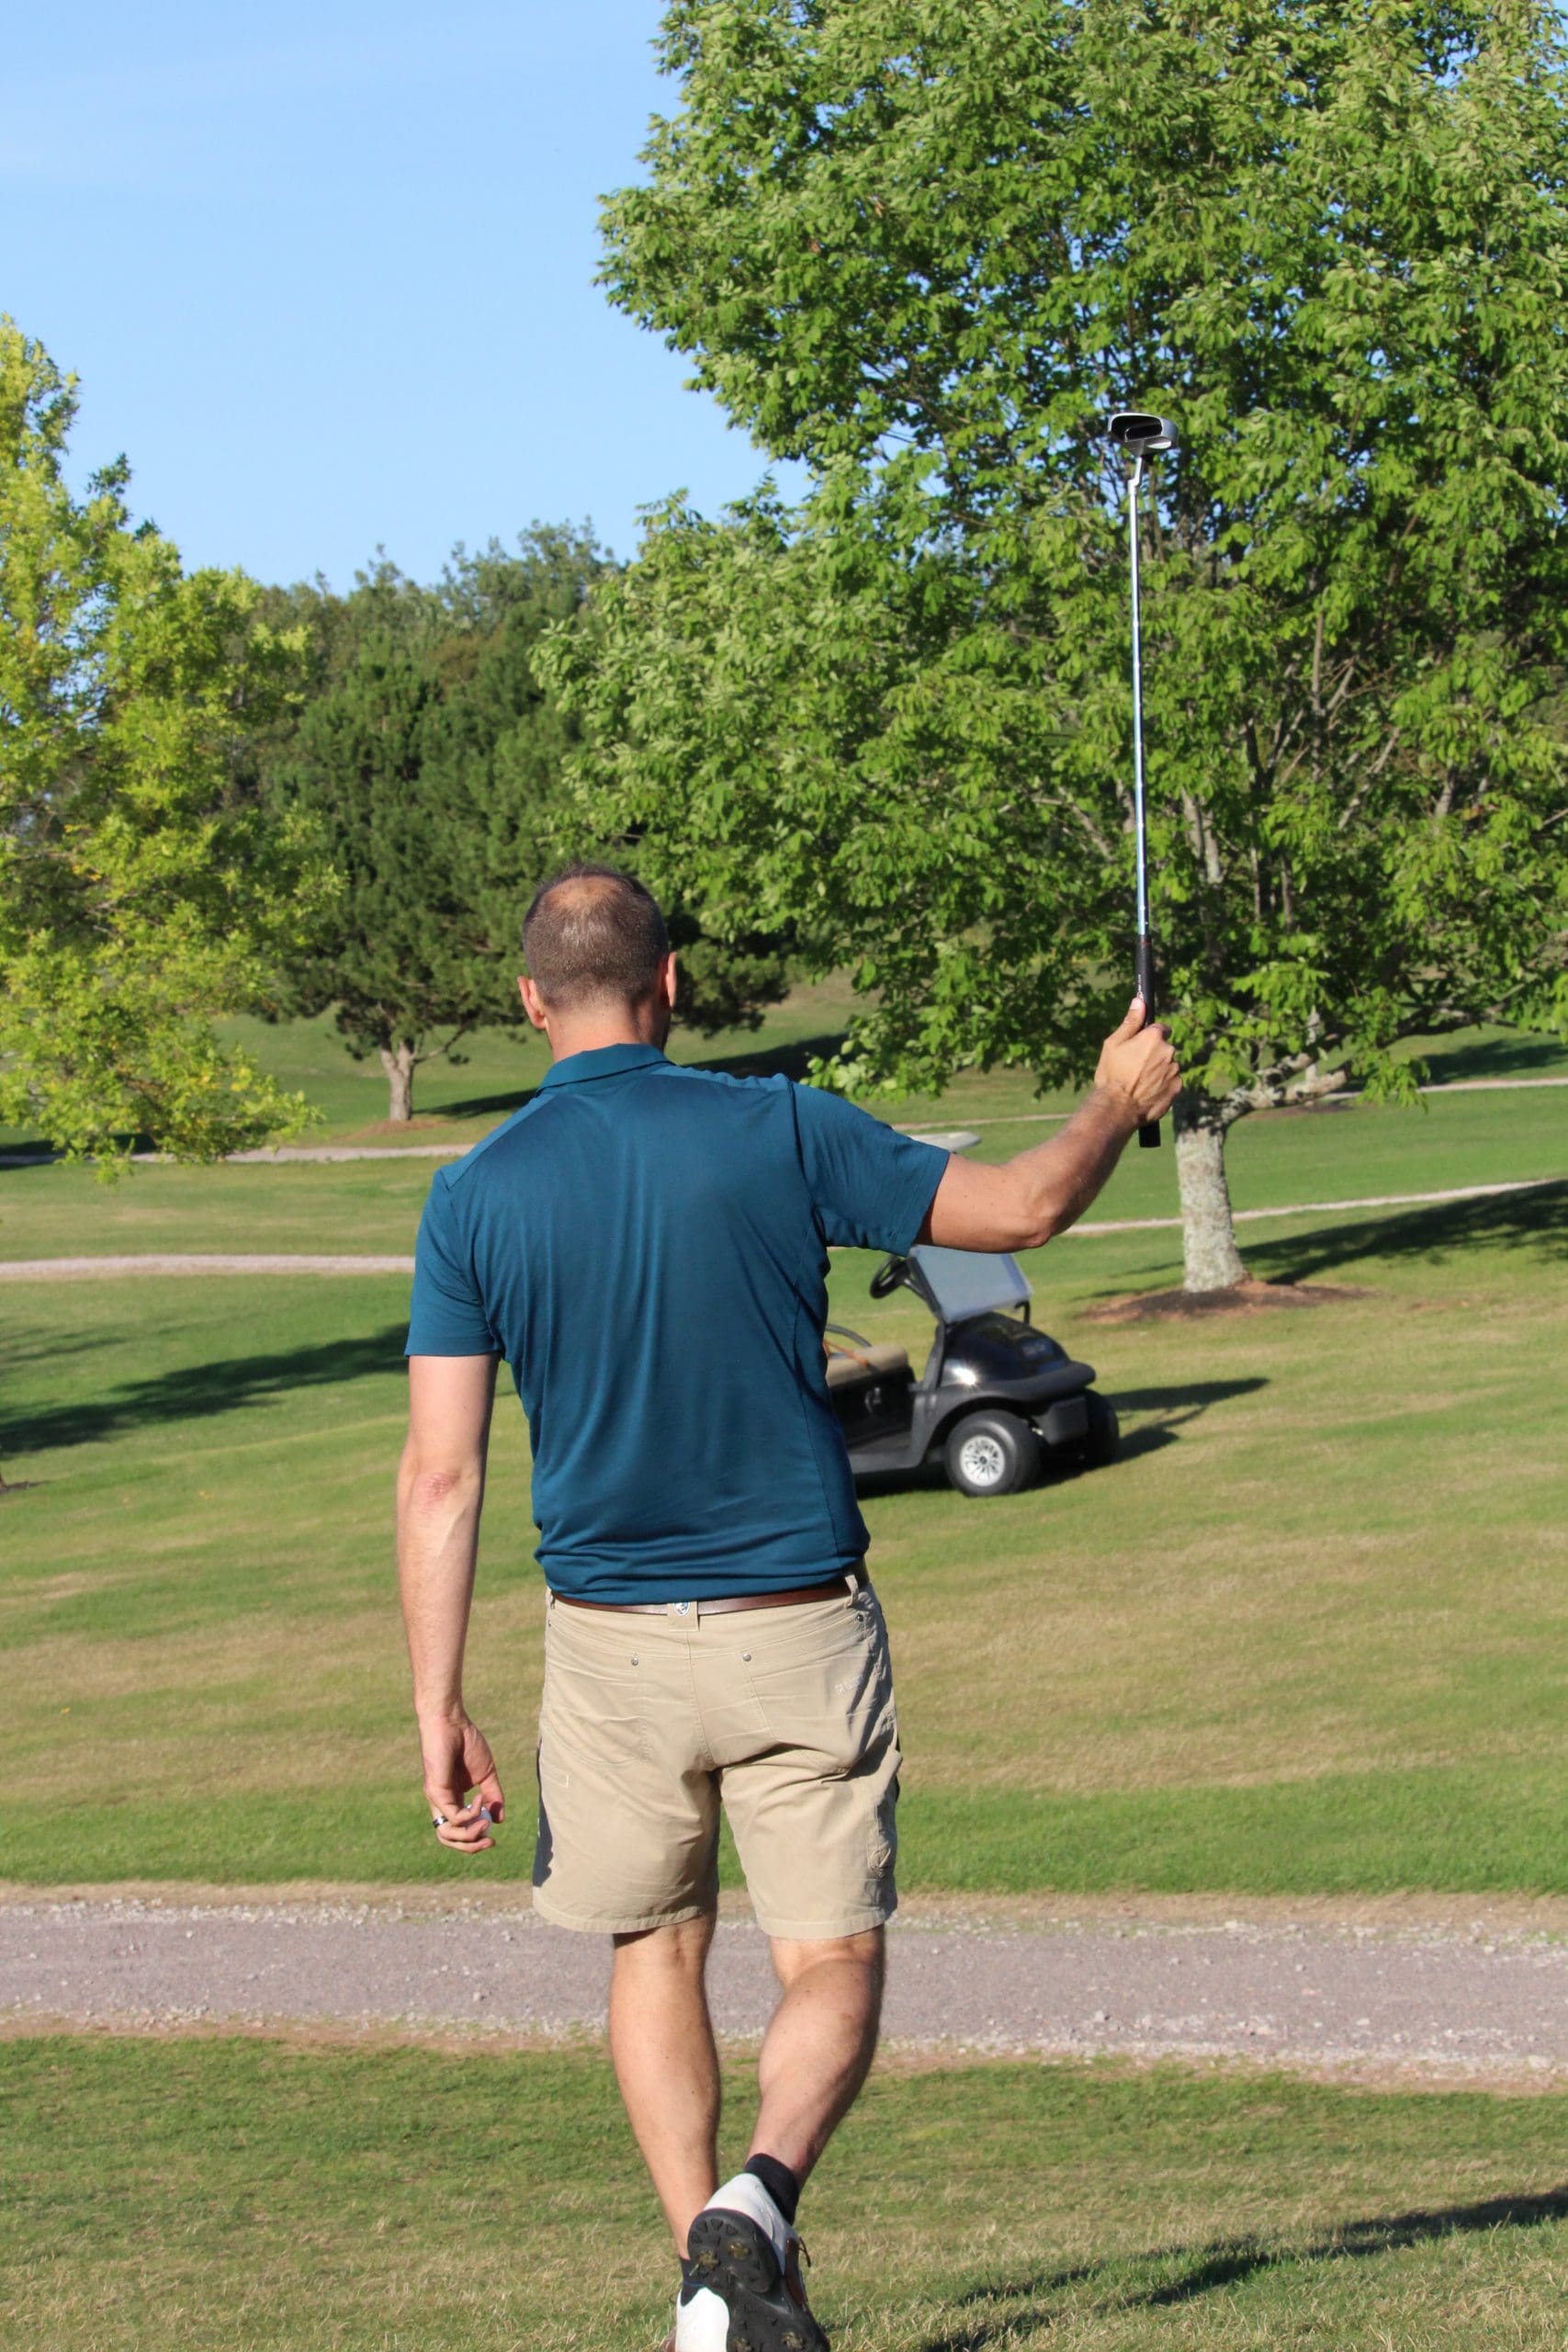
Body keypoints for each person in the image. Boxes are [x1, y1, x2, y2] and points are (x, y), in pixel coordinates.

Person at [397, 865, 1179, 2352]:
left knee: (656, 1951)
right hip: (798, 1624)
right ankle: (753, 2213)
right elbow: (1020, 1206)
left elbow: (441, 1479)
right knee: (830, 1961)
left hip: (607, 1652)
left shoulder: (472, 1194)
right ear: (671, 983)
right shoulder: (783, 1125)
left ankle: (708, 2297)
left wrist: (437, 1707)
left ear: (527, 1003)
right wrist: (1111, 1101)